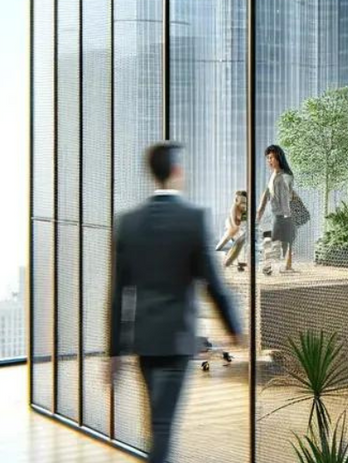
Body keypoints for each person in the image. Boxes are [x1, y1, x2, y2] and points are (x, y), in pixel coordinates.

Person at [108, 143, 242, 463]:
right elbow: (211, 283)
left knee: (157, 423)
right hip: (176, 340)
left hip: (143, 341)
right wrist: (235, 329)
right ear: (177, 173)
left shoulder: (128, 222)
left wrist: (113, 351)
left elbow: (117, 294)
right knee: (163, 427)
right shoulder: (192, 219)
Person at [252, 145, 299, 274]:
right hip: (279, 214)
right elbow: (268, 194)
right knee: (282, 241)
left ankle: (273, 266)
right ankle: (278, 266)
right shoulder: (275, 175)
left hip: (283, 214)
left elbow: (284, 197)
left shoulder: (283, 176)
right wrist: (260, 211)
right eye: (268, 158)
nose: (269, 160)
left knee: (281, 241)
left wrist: (286, 215)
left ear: (279, 157)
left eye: (271, 157)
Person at [216, 190, 251, 270]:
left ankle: (235, 259)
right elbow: (235, 223)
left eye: (245, 202)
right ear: (236, 200)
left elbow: (245, 222)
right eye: (241, 201)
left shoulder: (245, 209)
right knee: (230, 234)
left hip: (240, 225)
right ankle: (219, 249)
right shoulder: (234, 208)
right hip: (231, 223)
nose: (243, 204)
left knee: (240, 239)